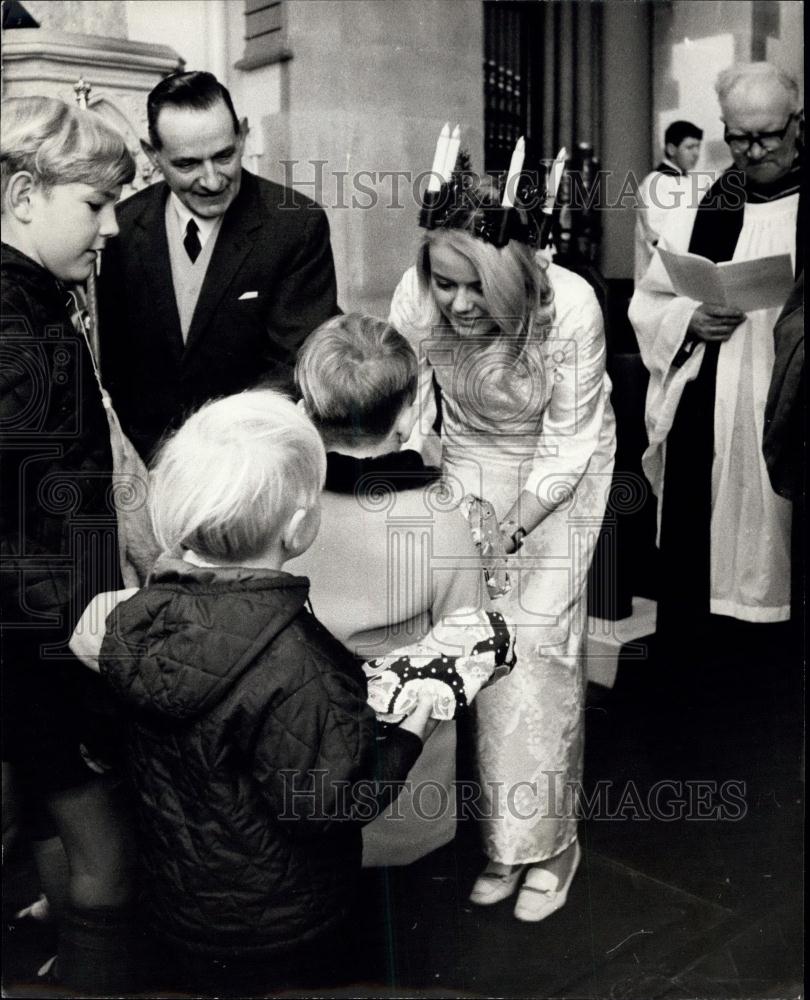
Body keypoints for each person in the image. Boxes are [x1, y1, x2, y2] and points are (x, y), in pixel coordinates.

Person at [69, 389, 436, 997]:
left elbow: (113, 743)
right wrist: (405, 737)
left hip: (180, 905)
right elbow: (327, 803)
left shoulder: (131, 622)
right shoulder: (301, 659)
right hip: (288, 921)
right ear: (298, 527)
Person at [389, 177, 616, 920]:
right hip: (466, 461)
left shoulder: (572, 305)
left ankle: (549, 844)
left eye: (475, 286)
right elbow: (409, 408)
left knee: (535, 648)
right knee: (463, 643)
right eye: (444, 282)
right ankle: (498, 839)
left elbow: (570, 441)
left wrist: (512, 526)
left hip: (559, 469)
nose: (455, 304)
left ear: (517, 272)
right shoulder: (419, 296)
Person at [1, 96, 138, 993]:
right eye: (95, 204)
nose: (115, 227)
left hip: (25, 637)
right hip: (44, 638)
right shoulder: (20, 331)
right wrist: (92, 651)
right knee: (106, 852)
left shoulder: (35, 302)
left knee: (49, 813)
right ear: (23, 195)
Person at [290, 313, 498, 866]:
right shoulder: (442, 514)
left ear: (307, 410)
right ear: (408, 415)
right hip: (407, 773)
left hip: (298, 760)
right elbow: (463, 642)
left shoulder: (285, 506)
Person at [628, 63, 802, 652]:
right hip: (711, 398)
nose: (753, 152)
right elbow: (651, 299)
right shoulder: (706, 202)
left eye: (768, 136)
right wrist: (689, 319)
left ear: (796, 124)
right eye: (739, 137)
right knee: (701, 572)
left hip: (789, 400)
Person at [97, 70, 340, 460]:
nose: (212, 181)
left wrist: (215, 451)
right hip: (143, 467)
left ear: (242, 136)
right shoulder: (116, 230)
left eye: (224, 156)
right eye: (188, 164)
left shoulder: (296, 226)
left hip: (251, 462)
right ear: (152, 155)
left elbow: (298, 361)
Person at [634, 119, 706, 282]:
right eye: (689, 147)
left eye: (698, 147)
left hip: (685, 272)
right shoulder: (656, 182)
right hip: (661, 275)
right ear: (671, 149)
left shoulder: (688, 181)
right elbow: (655, 236)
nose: (696, 153)